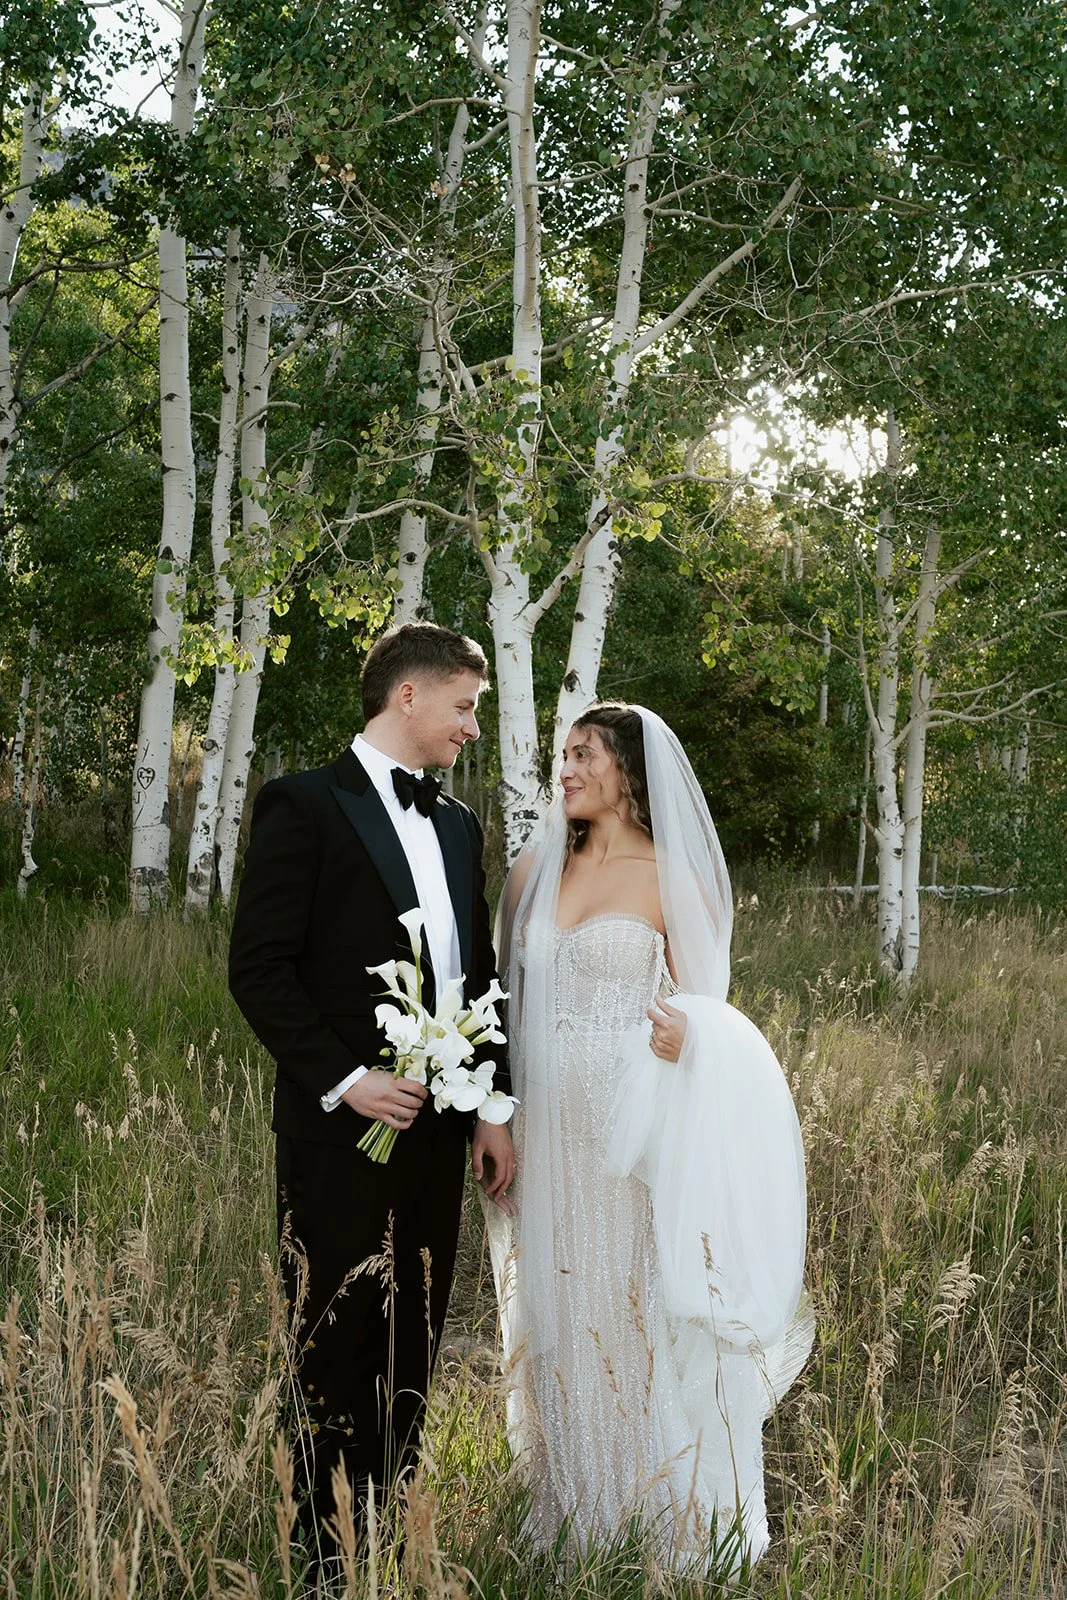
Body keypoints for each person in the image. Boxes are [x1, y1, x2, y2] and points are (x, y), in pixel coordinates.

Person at [487, 702, 812, 1571]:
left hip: (633, 1138)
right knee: (559, 1309)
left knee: (634, 1312)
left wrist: (694, 1039)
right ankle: (573, 1519)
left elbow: (712, 1012)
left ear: (628, 769)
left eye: (583, 755)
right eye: (562, 757)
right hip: (547, 1135)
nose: (566, 771)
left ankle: (661, 1522)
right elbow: (502, 1012)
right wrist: (497, 1117)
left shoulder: (673, 877)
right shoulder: (528, 874)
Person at [228, 622, 514, 1567]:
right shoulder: (303, 806)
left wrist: (489, 1110)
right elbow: (258, 969)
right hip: (339, 1136)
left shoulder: (460, 826)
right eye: (465, 706)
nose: (472, 727)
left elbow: (477, 980)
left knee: (413, 1345)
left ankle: (384, 1544)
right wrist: (348, 1083)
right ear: (409, 697)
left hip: (437, 1134)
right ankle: (320, 1562)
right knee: (332, 1343)